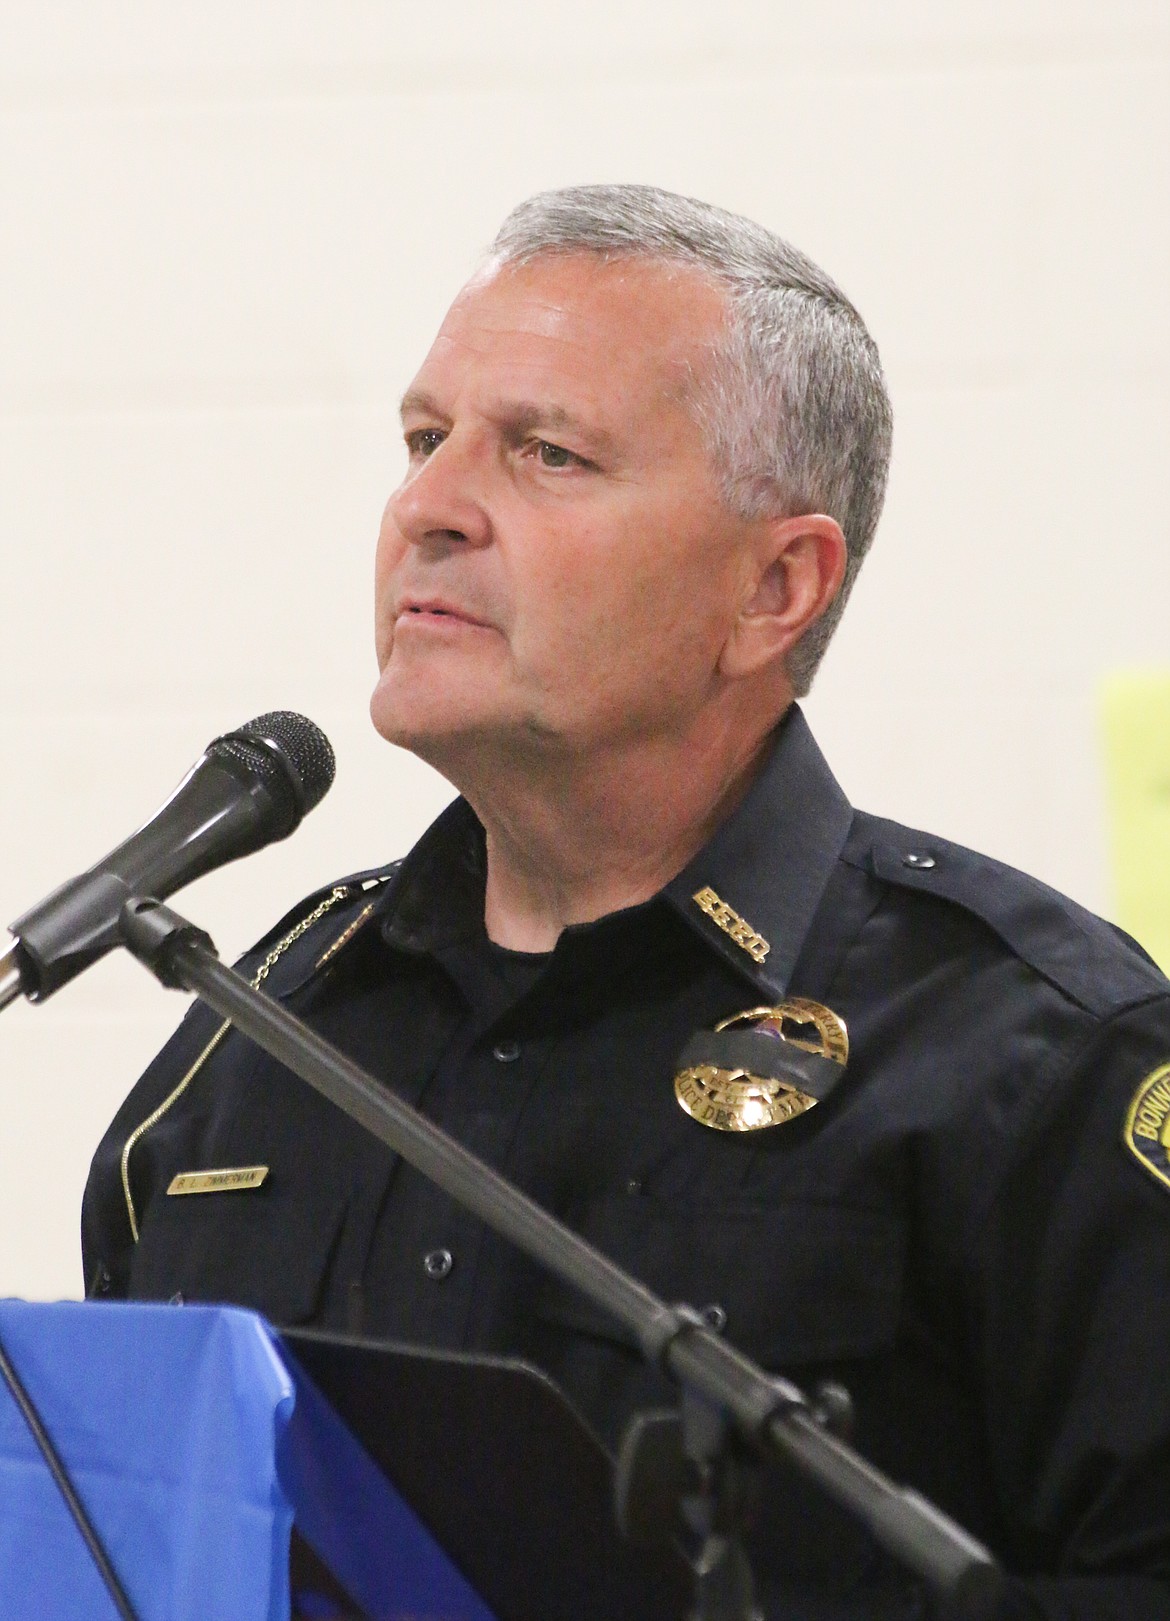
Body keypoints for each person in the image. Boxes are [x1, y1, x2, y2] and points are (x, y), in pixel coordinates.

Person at [83, 185, 1170, 1618]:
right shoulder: (264, 1022)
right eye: (423, 441)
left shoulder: (1034, 1051)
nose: (427, 507)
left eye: (545, 454)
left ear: (774, 586)